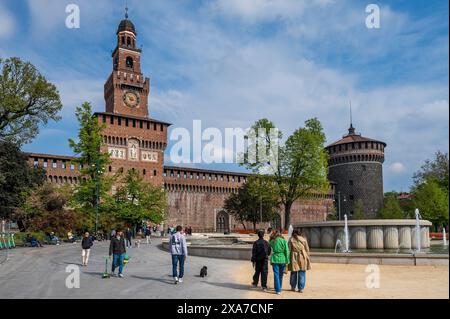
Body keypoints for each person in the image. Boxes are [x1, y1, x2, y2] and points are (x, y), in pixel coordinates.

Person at [269, 230, 290, 295]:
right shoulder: (284, 241)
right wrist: (287, 260)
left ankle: (277, 289)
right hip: (282, 259)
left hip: (275, 259)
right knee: (281, 275)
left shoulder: (272, 241)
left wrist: (271, 237)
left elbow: (269, 243)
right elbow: (287, 251)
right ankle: (279, 288)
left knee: (276, 274)